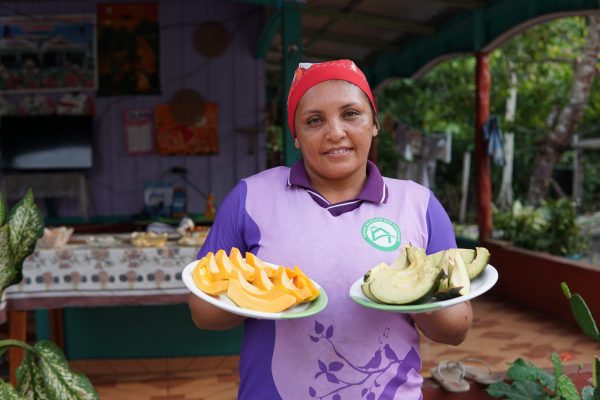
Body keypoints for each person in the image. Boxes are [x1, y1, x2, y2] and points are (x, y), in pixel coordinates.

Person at [188, 59, 472, 399]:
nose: (335, 132)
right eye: (314, 120)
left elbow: (456, 329)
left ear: (375, 123)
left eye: (351, 114)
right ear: (296, 136)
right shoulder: (251, 198)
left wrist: (415, 292)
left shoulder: (418, 204)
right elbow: (202, 313)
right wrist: (256, 294)